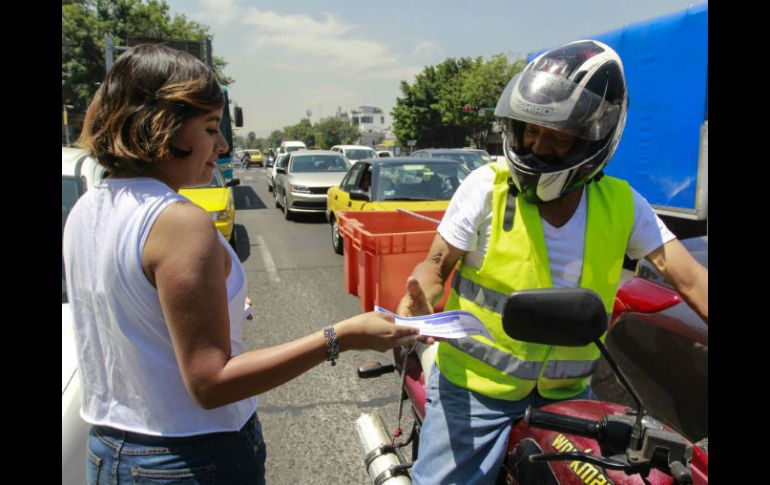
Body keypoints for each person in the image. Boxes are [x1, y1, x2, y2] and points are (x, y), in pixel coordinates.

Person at [62, 43, 419, 485]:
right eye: (210, 127)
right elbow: (211, 383)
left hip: (110, 452)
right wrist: (340, 337)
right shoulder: (179, 222)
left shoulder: (88, 207)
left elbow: (138, 316)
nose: (223, 144)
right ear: (161, 125)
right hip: (190, 460)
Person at [396, 40, 708, 484]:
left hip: (569, 394)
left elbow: (692, 279)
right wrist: (419, 297)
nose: (536, 146)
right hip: (476, 393)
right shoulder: (486, 187)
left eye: (557, 138)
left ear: (591, 140)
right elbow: (436, 266)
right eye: (529, 130)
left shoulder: (622, 204)